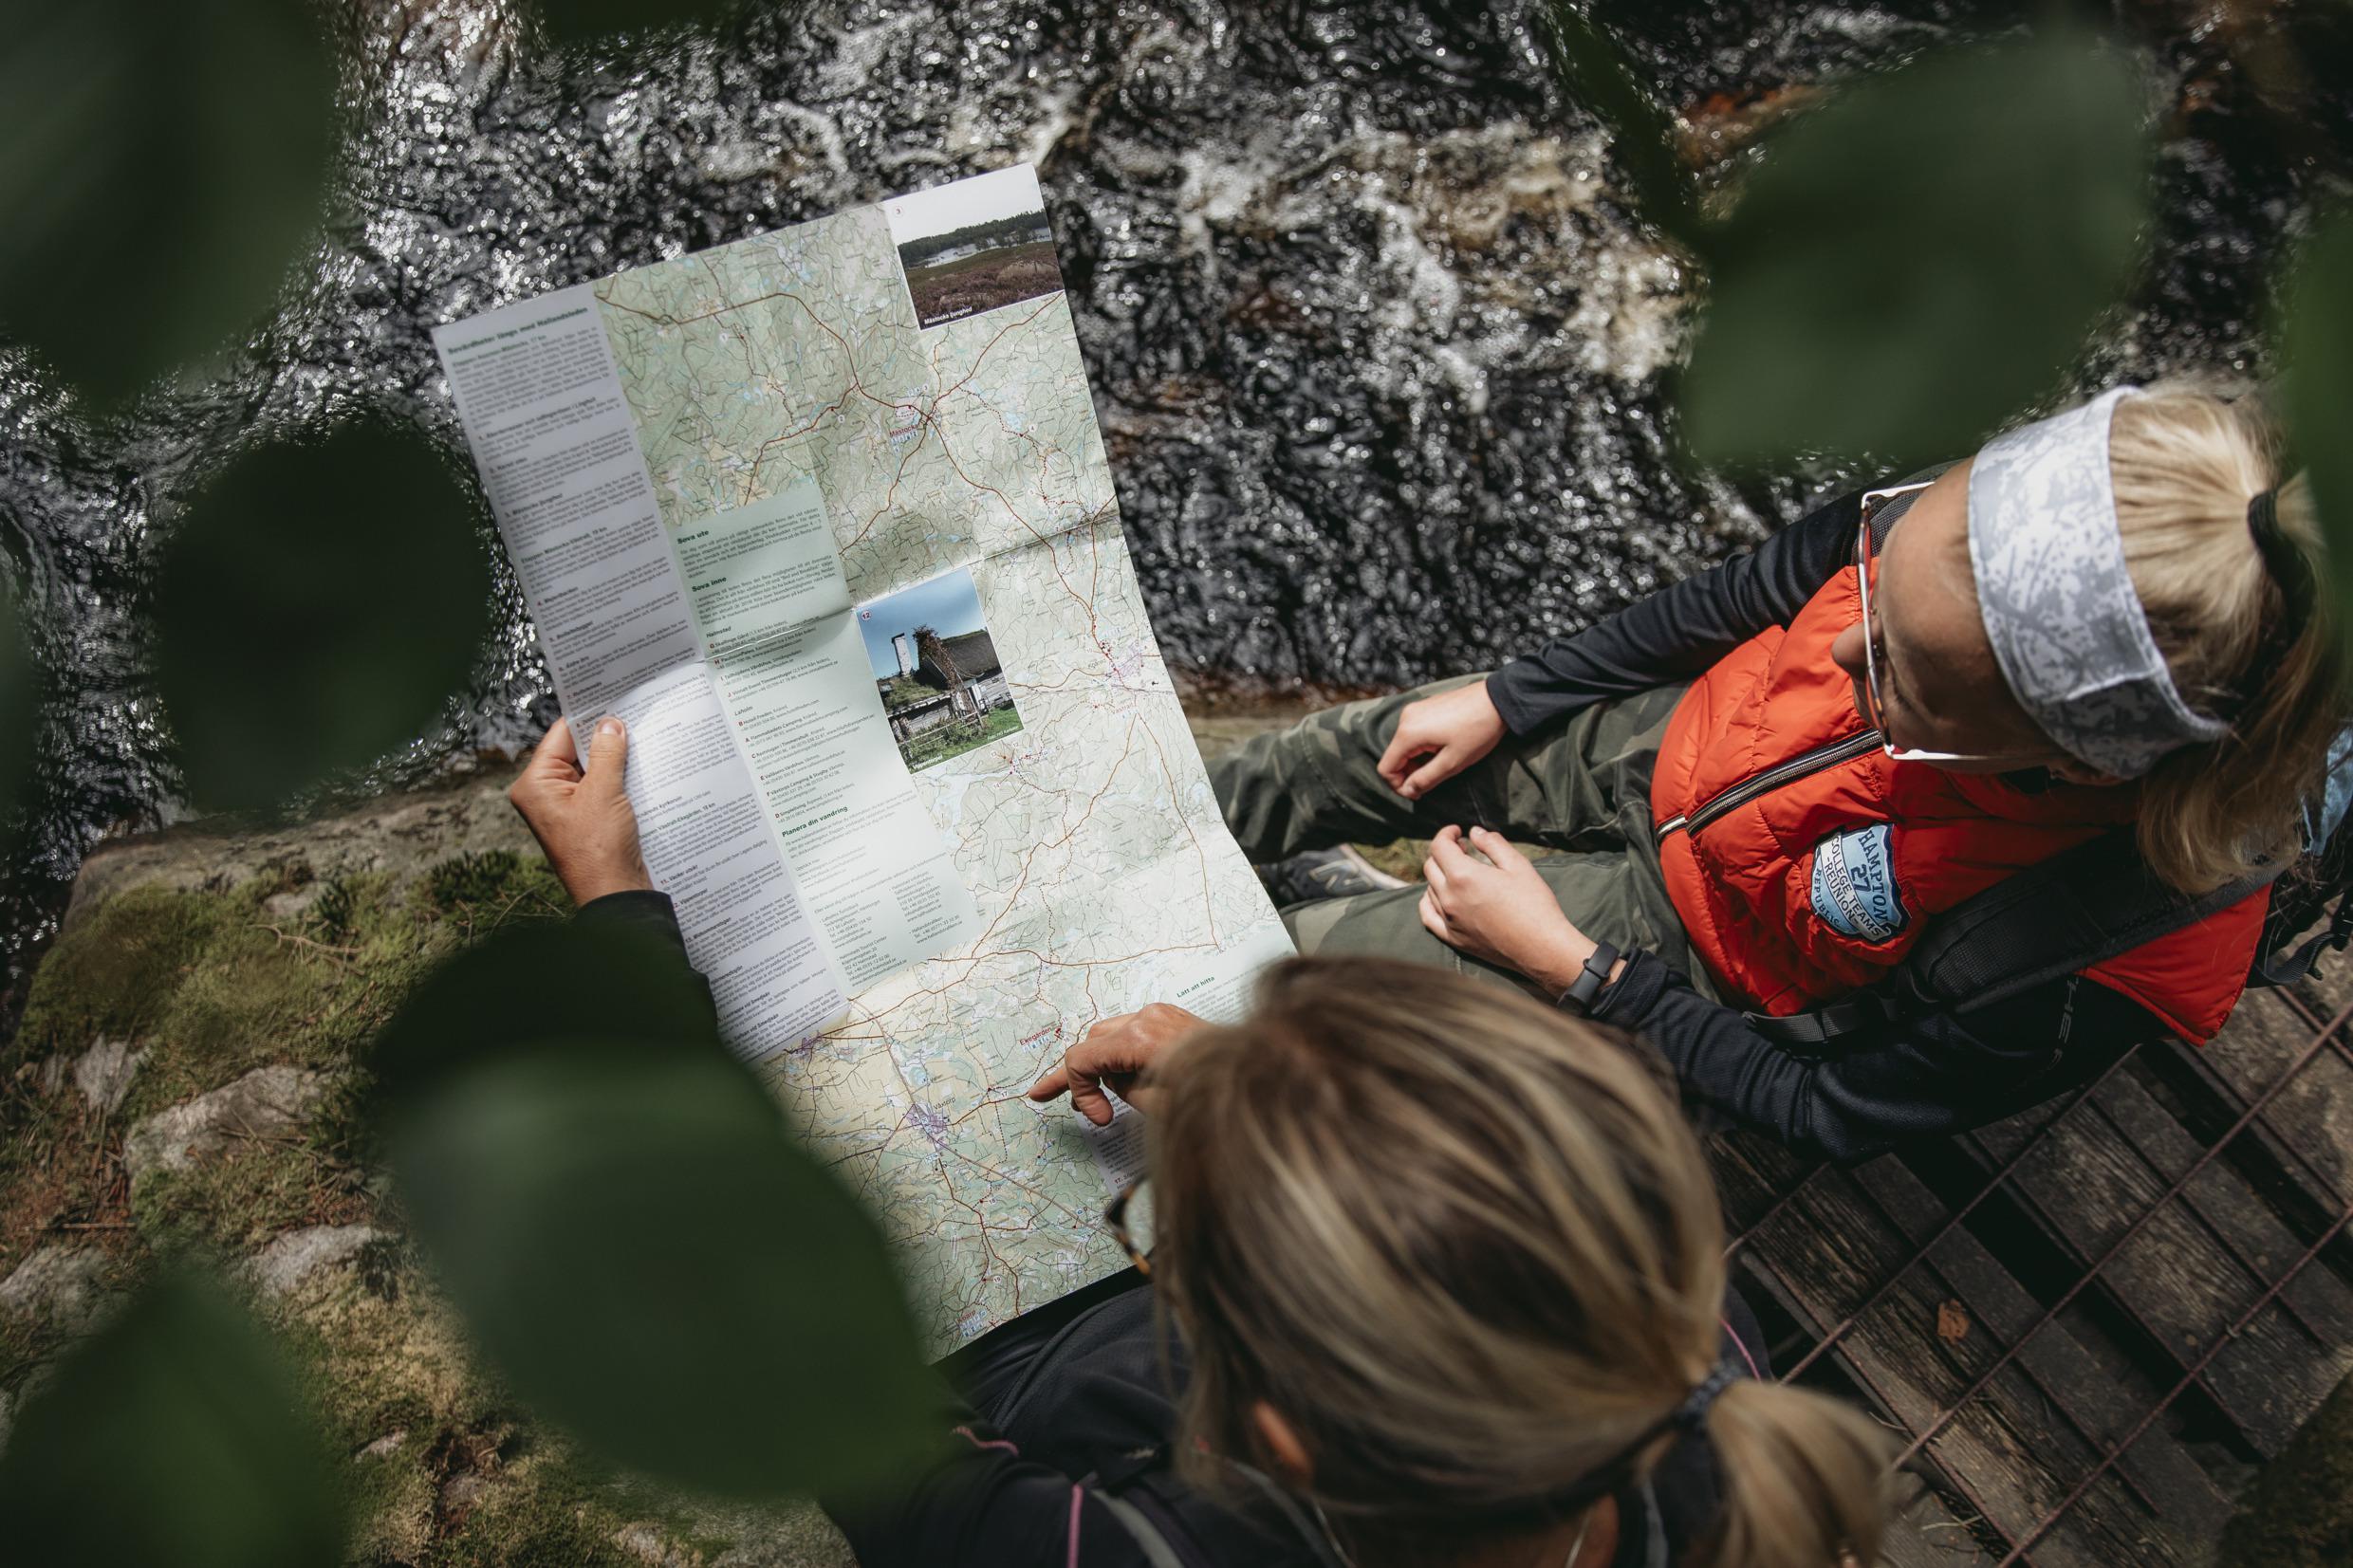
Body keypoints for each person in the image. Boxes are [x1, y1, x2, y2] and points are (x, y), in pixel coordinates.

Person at [508, 719, 1895, 1567]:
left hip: (1016, 1357)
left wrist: (627, 924)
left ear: (1271, 1428)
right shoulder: (1685, 1365)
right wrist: (1245, 1086)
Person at [1218, 387, 2349, 1160]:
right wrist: (1515, 697)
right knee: (1333, 755)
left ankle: (1340, 916)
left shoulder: (2092, 951)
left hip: (1697, 951)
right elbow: (1738, 596)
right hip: (1680, 739)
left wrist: (1577, 972)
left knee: (1288, 1008)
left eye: (1900, 680)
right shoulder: (1988, 524)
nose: (1845, 647)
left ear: (2062, 758)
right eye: (1877, 595)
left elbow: (1827, 1110)